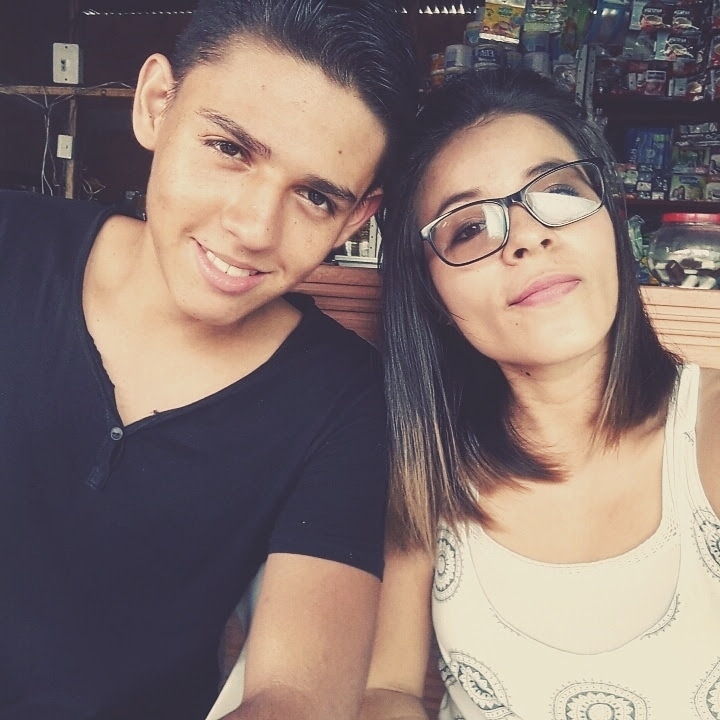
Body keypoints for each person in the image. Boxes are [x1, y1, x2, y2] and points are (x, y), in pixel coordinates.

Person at [0, 1, 418, 718]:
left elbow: (298, 696)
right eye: (229, 148)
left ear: (355, 219)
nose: (253, 228)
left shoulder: (341, 400)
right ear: (156, 105)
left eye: (315, 196)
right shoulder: (13, 244)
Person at [361, 67, 720, 719]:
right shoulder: (423, 462)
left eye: (556, 191)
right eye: (468, 227)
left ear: (611, 219)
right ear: (433, 296)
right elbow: (388, 687)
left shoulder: (710, 431)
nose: (528, 235)